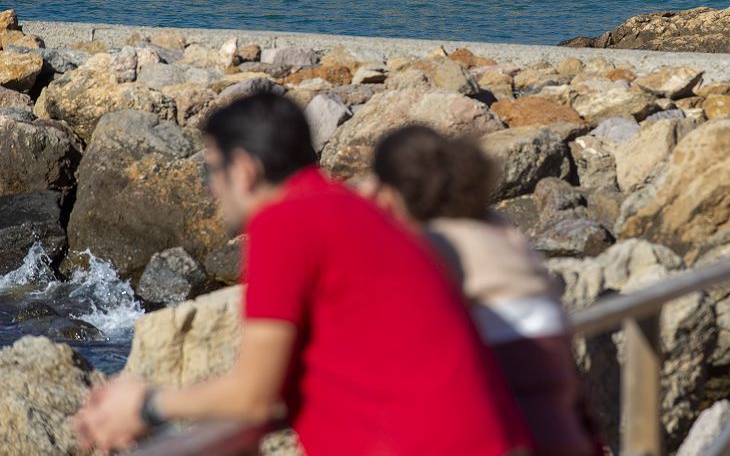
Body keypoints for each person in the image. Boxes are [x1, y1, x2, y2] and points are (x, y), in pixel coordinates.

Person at [72, 94, 533, 456]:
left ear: (246, 170)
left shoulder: (285, 224)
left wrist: (145, 404)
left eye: (213, 170)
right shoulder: (350, 207)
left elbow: (255, 396)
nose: (211, 188)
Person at [365, 125, 601, 456]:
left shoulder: (432, 247)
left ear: (388, 192)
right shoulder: (498, 231)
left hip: (505, 433)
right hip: (564, 427)